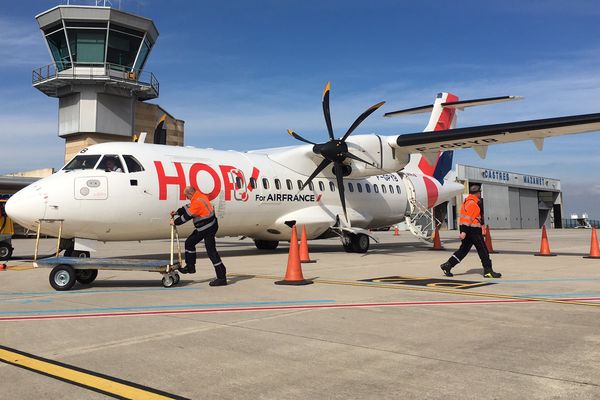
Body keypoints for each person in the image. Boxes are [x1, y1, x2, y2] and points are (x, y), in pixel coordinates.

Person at [440, 184, 501, 278]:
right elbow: (467, 219)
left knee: (463, 251)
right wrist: (464, 232)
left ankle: (448, 265)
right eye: (479, 192)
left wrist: (463, 231)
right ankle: (488, 271)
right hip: (473, 231)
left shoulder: (467, 202)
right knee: (483, 250)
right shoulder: (473, 204)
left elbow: (464, 219)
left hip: (468, 231)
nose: (480, 194)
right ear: (477, 193)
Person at [170, 186, 227, 286]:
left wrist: (174, 222)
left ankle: (221, 277)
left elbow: (185, 218)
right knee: (190, 243)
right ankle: (190, 267)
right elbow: (188, 207)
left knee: (211, 251)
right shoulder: (199, 196)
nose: (186, 197)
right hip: (210, 226)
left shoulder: (197, 202)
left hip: (206, 228)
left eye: (186, 195)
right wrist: (177, 212)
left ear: (190, 194)